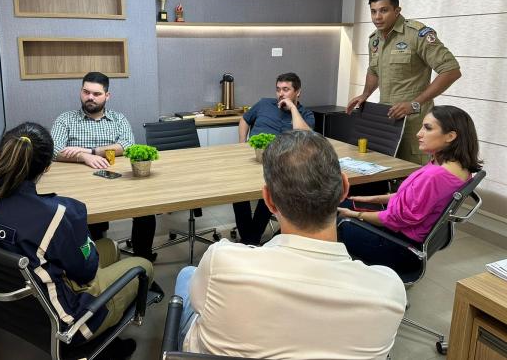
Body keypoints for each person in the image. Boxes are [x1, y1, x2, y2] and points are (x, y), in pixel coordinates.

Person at [174, 130, 406, 359]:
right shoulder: (389, 291)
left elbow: (199, 304)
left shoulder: (221, 262)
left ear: (268, 200)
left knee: (188, 275)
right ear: (344, 188)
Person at [0, 122, 153, 358]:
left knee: (110, 248)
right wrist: (83, 241)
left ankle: (108, 326)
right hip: (65, 321)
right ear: (47, 167)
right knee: (143, 265)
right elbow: (86, 271)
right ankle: (105, 341)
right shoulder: (58, 215)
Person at [338, 105, 482, 276]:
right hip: (405, 237)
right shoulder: (458, 167)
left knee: (330, 216)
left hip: (398, 247)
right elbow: (412, 197)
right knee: (347, 202)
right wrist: (373, 199)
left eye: (428, 128)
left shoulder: (434, 177)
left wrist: (355, 215)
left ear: (450, 136)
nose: (419, 134)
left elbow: (394, 218)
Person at [346, 0, 462, 165]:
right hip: (387, 120)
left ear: (397, 11)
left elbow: (451, 70)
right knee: (385, 170)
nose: (377, 17)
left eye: (384, 10)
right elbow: (374, 70)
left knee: (412, 173)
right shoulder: (375, 39)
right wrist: (365, 94)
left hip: (414, 123)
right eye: (373, 11)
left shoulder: (417, 34)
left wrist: (415, 103)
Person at [50, 71, 157, 261]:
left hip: (119, 181)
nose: (90, 97)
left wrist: (91, 151)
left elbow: (128, 145)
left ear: (107, 96)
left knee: (146, 211)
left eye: (96, 94)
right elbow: (54, 150)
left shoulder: (118, 119)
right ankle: (98, 260)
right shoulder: (65, 119)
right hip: (81, 185)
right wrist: (83, 157)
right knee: (89, 220)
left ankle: (142, 261)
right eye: (86, 92)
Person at [233, 72, 315, 245]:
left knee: (272, 189)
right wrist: (242, 144)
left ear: (298, 92)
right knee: (236, 190)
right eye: (278, 89)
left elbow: (305, 136)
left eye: (286, 89)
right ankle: (250, 239)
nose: (281, 94)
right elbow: (244, 120)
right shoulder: (264, 104)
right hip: (253, 159)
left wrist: (292, 108)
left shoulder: (305, 115)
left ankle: (249, 240)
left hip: (281, 167)